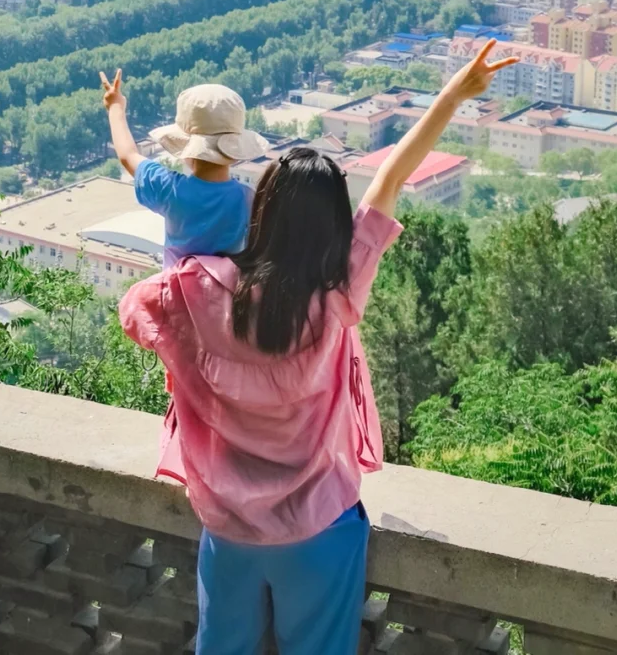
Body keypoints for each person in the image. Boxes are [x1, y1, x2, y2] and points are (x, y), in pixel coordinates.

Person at [118, 40, 518, 655]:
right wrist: (453, 96)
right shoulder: (337, 296)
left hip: (228, 523)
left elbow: (139, 311)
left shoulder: (199, 289)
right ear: (332, 223)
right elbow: (390, 178)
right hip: (319, 525)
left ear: (263, 212)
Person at [100, 70, 271, 268]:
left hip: (175, 296)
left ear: (185, 147)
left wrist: (115, 107)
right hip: (226, 297)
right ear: (234, 151)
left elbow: (128, 155)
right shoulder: (250, 200)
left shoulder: (169, 189)